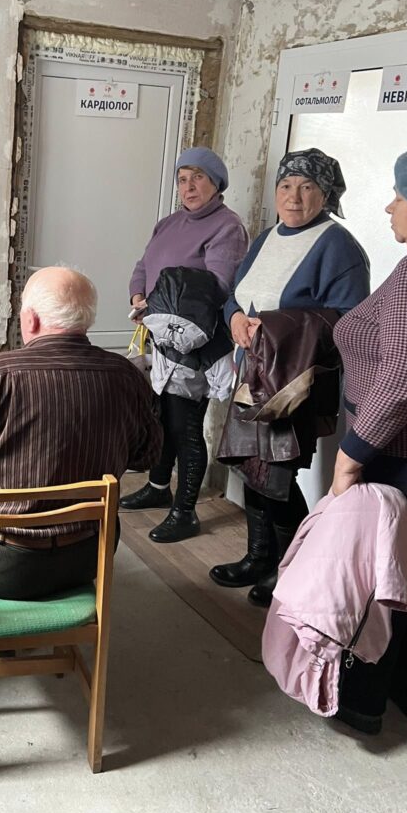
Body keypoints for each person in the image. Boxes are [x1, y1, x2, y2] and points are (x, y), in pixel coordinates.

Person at [0, 266, 162, 600]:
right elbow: (147, 456)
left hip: (2, 567)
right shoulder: (126, 375)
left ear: (31, 319)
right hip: (90, 555)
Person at [210, 147, 370, 605]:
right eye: (285, 186)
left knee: (277, 477)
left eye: (307, 187)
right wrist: (234, 317)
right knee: (251, 469)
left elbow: (349, 322)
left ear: (327, 194)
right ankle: (258, 557)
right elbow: (236, 295)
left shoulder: (338, 247)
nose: (293, 197)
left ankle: (291, 570)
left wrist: (273, 326)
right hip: (252, 375)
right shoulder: (266, 238)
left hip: (295, 384)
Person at [330, 144, 407, 735]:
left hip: (402, 457)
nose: (391, 205)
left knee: (382, 586)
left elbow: (403, 379)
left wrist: (352, 456)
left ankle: (362, 703)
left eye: (401, 194)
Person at [120, 147, 248, 543]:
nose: (189, 186)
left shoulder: (227, 227)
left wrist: (159, 304)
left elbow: (218, 287)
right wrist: (139, 296)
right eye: (182, 179)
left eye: (198, 178)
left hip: (197, 343)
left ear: (216, 183)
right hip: (160, 334)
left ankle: (185, 511)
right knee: (162, 419)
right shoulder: (168, 223)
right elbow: (144, 266)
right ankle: (158, 487)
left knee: (185, 426)